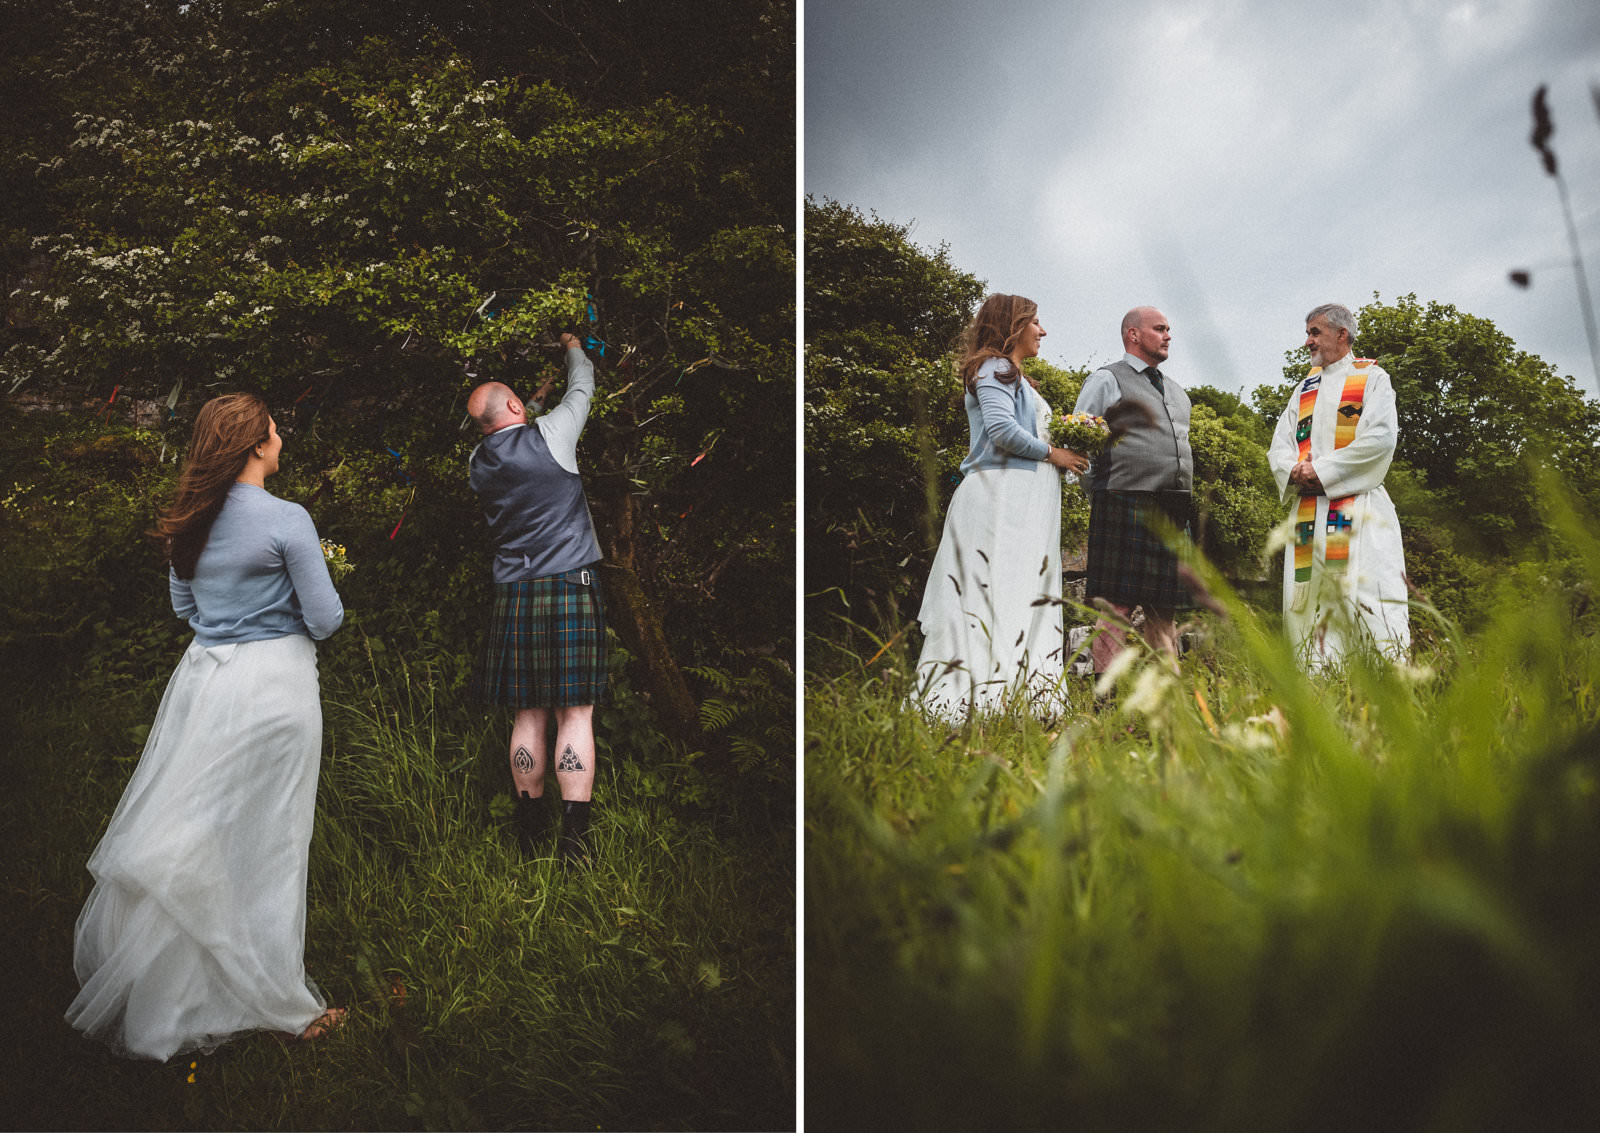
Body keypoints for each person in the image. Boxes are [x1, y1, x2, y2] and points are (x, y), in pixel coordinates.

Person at [67, 394, 346, 1061]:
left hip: (206, 685)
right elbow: (328, 617)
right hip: (275, 686)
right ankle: (282, 1003)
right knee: (273, 841)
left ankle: (168, 991)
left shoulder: (188, 522)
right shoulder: (287, 520)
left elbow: (183, 605)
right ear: (255, 444)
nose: (281, 437)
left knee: (200, 836)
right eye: (275, 429)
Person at [467, 332, 606, 862]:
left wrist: (533, 401)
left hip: (514, 594)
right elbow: (585, 386)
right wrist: (572, 345)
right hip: (570, 585)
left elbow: (511, 429)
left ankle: (528, 833)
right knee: (575, 713)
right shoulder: (553, 435)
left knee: (528, 714)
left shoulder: (477, 463)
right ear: (516, 406)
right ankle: (575, 842)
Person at [913, 293, 1086, 718]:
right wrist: (1054, 454)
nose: (1042, 331)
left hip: (1021, 502)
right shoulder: (995, 368)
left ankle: (1012, 699)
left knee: (1016, 593)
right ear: (1014, 325)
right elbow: (1002, 431)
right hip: (999, 500)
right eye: (1035, 322)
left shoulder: (1015, 376)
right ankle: (969, 701)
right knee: (992, 593)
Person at [1267, 303, 1409, 670]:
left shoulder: (1373, 380)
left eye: (1315, 332)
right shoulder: (1304, 389)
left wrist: (1323, 471)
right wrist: (1294, 470)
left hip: (1358, 510)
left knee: (1365, 595)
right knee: (1310, 600)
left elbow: (1380, 439)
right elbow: (1279, 445)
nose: (1307, 341)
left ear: (1341, 335)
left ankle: (1381, 682)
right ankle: (1317, 682)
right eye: (1308, 332)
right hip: (1309, 514)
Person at [1072, 306, 1195, 673]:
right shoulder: (1106, 380)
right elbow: (1081, 443)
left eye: (1169, 329)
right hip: (1123, 502)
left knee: (1164, 608)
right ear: (1133, 335)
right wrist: (1104, 492)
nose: (1168, 335)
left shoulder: (1177, 392)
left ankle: (1169, 701)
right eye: (1160, 329)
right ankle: (1103, 698)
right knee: (1116, 607)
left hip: (1173, 507)